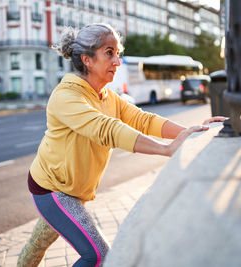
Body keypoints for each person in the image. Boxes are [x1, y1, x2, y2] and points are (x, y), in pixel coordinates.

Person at [18, 23, 225, 267]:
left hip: (73, 189)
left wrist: (193, 132)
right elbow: (107, 129)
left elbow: (143, 119)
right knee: (97, 256)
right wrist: (165, 149)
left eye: (118, 53)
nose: (118, 61)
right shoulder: (66, 97)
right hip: (53, 191)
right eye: (109, 53)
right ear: (87, 60)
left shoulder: (107, 96)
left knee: (37, 245)